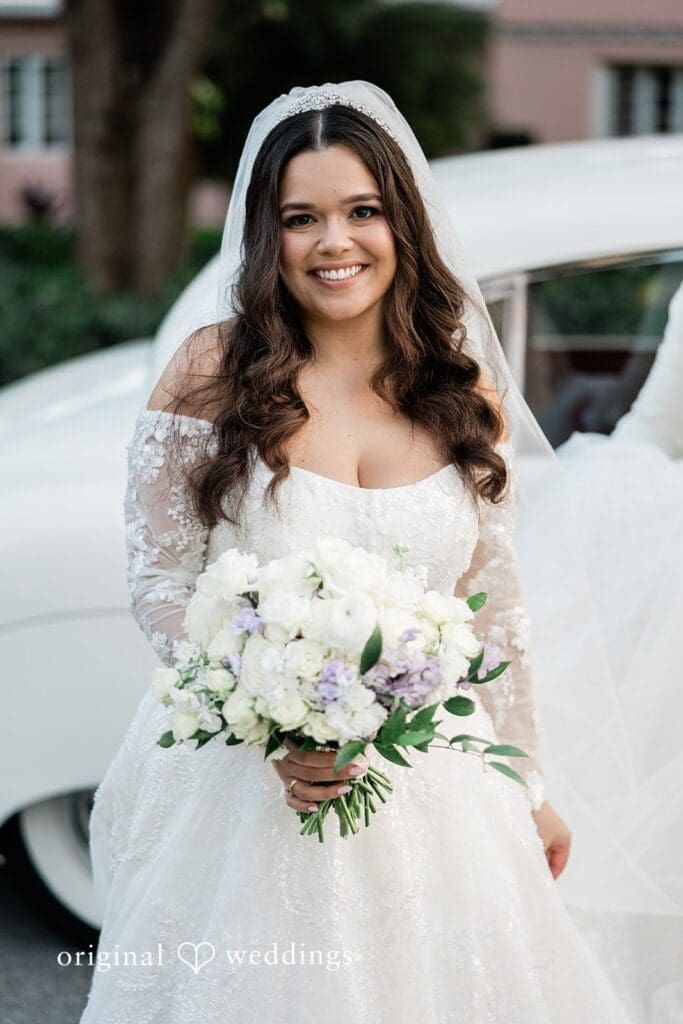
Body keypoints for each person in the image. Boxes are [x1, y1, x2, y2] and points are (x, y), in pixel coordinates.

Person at [79, 83, 632, 1022]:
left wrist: (525, 786)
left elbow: (493, 610)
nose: (333, 242)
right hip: (242, 786)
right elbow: (162, 579)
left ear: (400, 222)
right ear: (269, 236)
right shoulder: (212, 370)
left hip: (436, 792)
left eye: (361, 211)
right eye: (302, 219)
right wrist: (268, 718)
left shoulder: (461, 391)